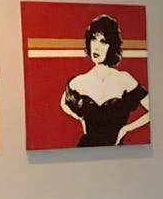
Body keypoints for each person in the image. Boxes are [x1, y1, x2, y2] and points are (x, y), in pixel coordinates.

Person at [60, 14, 149, 146]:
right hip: (85, 151)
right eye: (94, 39)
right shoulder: (79, 82)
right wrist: (80, 118)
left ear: (111, 46)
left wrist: (126, 129)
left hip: (118, 153)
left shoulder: (124, 79)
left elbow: (154, 109)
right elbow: (63, 104)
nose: (96, 47)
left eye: (103, 41)